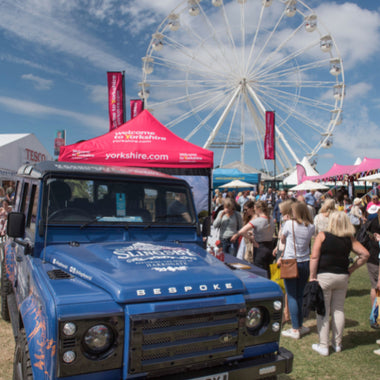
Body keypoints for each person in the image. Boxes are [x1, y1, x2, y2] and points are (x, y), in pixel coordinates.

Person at [309, 211, 369, 356]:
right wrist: (352, 269)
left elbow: (315, 256)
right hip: (342, 276)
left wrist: (312, 276)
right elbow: (365, 254)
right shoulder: (349, 238)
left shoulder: (322, 236)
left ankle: (323, 345)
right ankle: (337, 343)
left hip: (325, 275)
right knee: (338, 309)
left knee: (323, 310)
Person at [279, 201, 315, 339]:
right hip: (305, 261)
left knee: (292, 296)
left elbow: (282, 240)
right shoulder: (311, 226)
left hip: (291, 261)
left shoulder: (289, 224)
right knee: (299, 295)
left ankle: (295, 328)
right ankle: (299, 325)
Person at [231, 200, 275, 277]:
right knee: (268, 271)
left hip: (259, 247)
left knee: (259, 272)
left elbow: (241, 231)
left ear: (258, 209)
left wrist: (251, 238)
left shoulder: (257, 221)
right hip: (269, 246)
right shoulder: (271, 219)